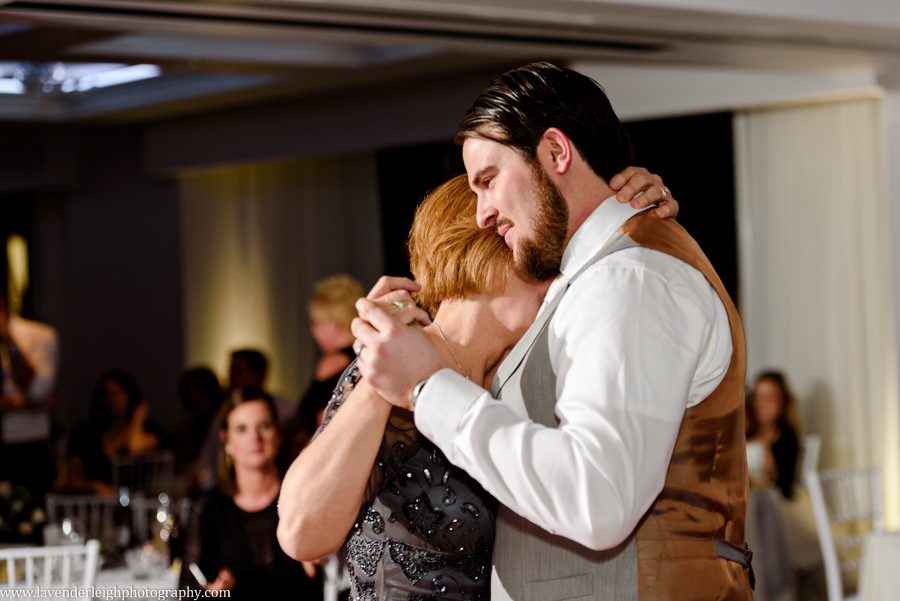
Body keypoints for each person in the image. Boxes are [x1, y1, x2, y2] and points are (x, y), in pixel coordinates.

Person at [351, 62, 751, 600]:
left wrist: (427, 389)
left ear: (557, 152)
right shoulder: (589, 275)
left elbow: (599, 500)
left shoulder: (625, 279)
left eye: (488, 181)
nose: (482, 215)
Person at [278, 167, 671, 599]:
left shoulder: (525, 376)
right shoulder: (392, 360)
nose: (559, 276)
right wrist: (382, 373)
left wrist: (634, 216)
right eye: (541, 252)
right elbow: (301, 534)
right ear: (486, 247)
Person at [182, 387, 321, 598]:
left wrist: (322, 559)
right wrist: (212, 593)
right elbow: (187, 591)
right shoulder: (208, 508)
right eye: (241, 429)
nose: (254, 437)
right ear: (226, 441)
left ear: (278, 434)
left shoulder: (303, 496)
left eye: (263, 426)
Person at [280, 274, 364, 468]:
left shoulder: (333, 362)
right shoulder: (368, 355)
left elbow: (312, 418)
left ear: (334, 323)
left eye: (316, 323)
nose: (313, 331)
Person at [0, 287, 59, 503]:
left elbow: (38, 391)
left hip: (27, 446)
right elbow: (39, 401)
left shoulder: (38, 336)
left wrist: (9, 341)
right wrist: (24, 404)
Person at [62, 370, 162, 495]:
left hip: (138, 504)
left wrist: (137, 421)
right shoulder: (85, 434)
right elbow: (71, 479)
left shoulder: (149, 430)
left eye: (119, 392)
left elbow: (134, 448)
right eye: (108, 394)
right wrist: (95, 486)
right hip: (95, 506)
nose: (114, 399)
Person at [746, 370, 800, 500]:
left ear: (783, 403)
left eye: (768, 399)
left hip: (769, 505)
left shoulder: (787, 439)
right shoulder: (746, 432)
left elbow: (783, 488)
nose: (760, 404)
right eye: (756, 398)